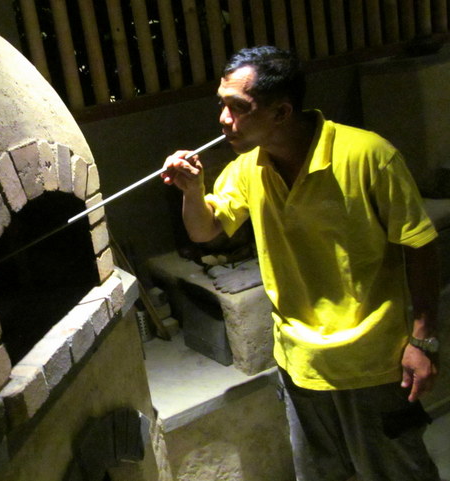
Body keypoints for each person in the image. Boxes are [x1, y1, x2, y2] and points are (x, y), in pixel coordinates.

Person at [162, 45, 441, 481]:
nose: (224, 118)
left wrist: (423, 340)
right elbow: (204, 231)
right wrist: (192, 191)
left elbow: (419, 244)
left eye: (238, 107)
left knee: (398, 472)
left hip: (372, 362)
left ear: (281, 112)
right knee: (323, 474)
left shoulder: (369, 156)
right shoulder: (249, 167)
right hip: (299, 362)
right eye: (221, 104)